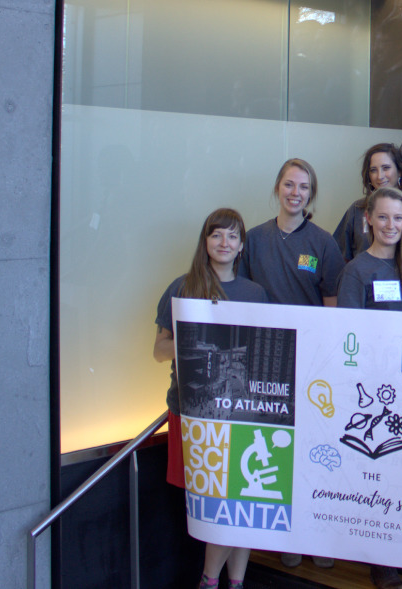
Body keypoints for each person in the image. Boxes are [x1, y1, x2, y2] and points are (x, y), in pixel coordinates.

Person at [152, 208, 275, 589]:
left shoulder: (255, 293)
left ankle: (231, 582)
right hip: (194, 415)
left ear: (241, 247)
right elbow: (158, 351)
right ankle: (209, 580)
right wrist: (198, 336)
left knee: (244, 506)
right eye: (217, 235)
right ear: (205, 243)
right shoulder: (182, 287)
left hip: (244, 412)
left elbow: (265, 352)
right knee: (216, 505)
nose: (225, 243)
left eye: (233, 237)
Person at [334, 186, 402, 589]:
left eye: (398, 218)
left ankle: (398, 547)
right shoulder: (356, 270)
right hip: (373, 393)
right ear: (369, 221)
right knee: (374, 477)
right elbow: (348, 336)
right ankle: (382, 562)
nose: (391, 225)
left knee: (400, 475)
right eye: (384, 217)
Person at [240, 158, 343, 308]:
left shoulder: (324, 243)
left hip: (308, 330)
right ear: (277, 188)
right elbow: (242, 295)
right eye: (289, 185)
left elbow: (332, 307)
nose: (295, 192)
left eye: (304, 187)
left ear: (310, 194)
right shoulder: (253, 239)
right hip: (263, 329)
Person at [333, 143, 402, 261]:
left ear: (400, 170)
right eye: (373, 170)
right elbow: (339, 255)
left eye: (386, 168)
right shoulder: (357, 210)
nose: (380, 176)